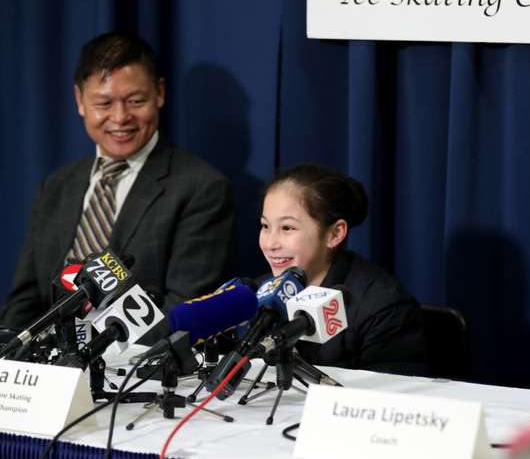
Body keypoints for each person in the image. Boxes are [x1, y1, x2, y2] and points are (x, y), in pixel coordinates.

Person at [1, 32, 235, 329]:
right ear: (80, 100)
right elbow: (25, 299)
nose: (121, 117)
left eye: (136, 100)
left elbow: (183, 310)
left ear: (160, 93)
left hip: (134, 368)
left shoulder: (201, 188)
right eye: (104, 103)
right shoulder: (57, 185)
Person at [258, 163, 427, 375]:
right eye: (265, 226)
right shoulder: (259, 292)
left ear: (335, 234)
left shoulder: (383, 306)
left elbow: (391, 398)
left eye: (287, 228)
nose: (270, 243)